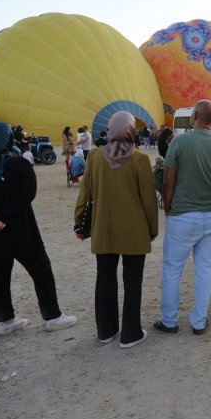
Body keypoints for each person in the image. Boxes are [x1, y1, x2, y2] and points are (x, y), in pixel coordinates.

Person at [0, 122, 76, 336]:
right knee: (41, 271)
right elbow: (27, 195)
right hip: (21, 231)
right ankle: (53, 317)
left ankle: (5, 320)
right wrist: (4, 215)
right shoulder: (19, 165)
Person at [74, 111, 158, 348]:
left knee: (104, 278)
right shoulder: (140, 159)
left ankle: (105, 330)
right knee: (132, 283)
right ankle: (130, 334)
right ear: (131, 130)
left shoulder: (96, 157)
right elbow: (149, 201)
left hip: (104, 229)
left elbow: (85, 193)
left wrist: (79, 220)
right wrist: (152, 229)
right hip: (134, 231)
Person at [157, 100, 211, 336]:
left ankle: (169, 321)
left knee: (172, 270)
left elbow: (168, 182)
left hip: (183, 215)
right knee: (205, 270)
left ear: (196, 115)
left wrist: (169, 208)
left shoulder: (179, 142)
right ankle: (199, 321)